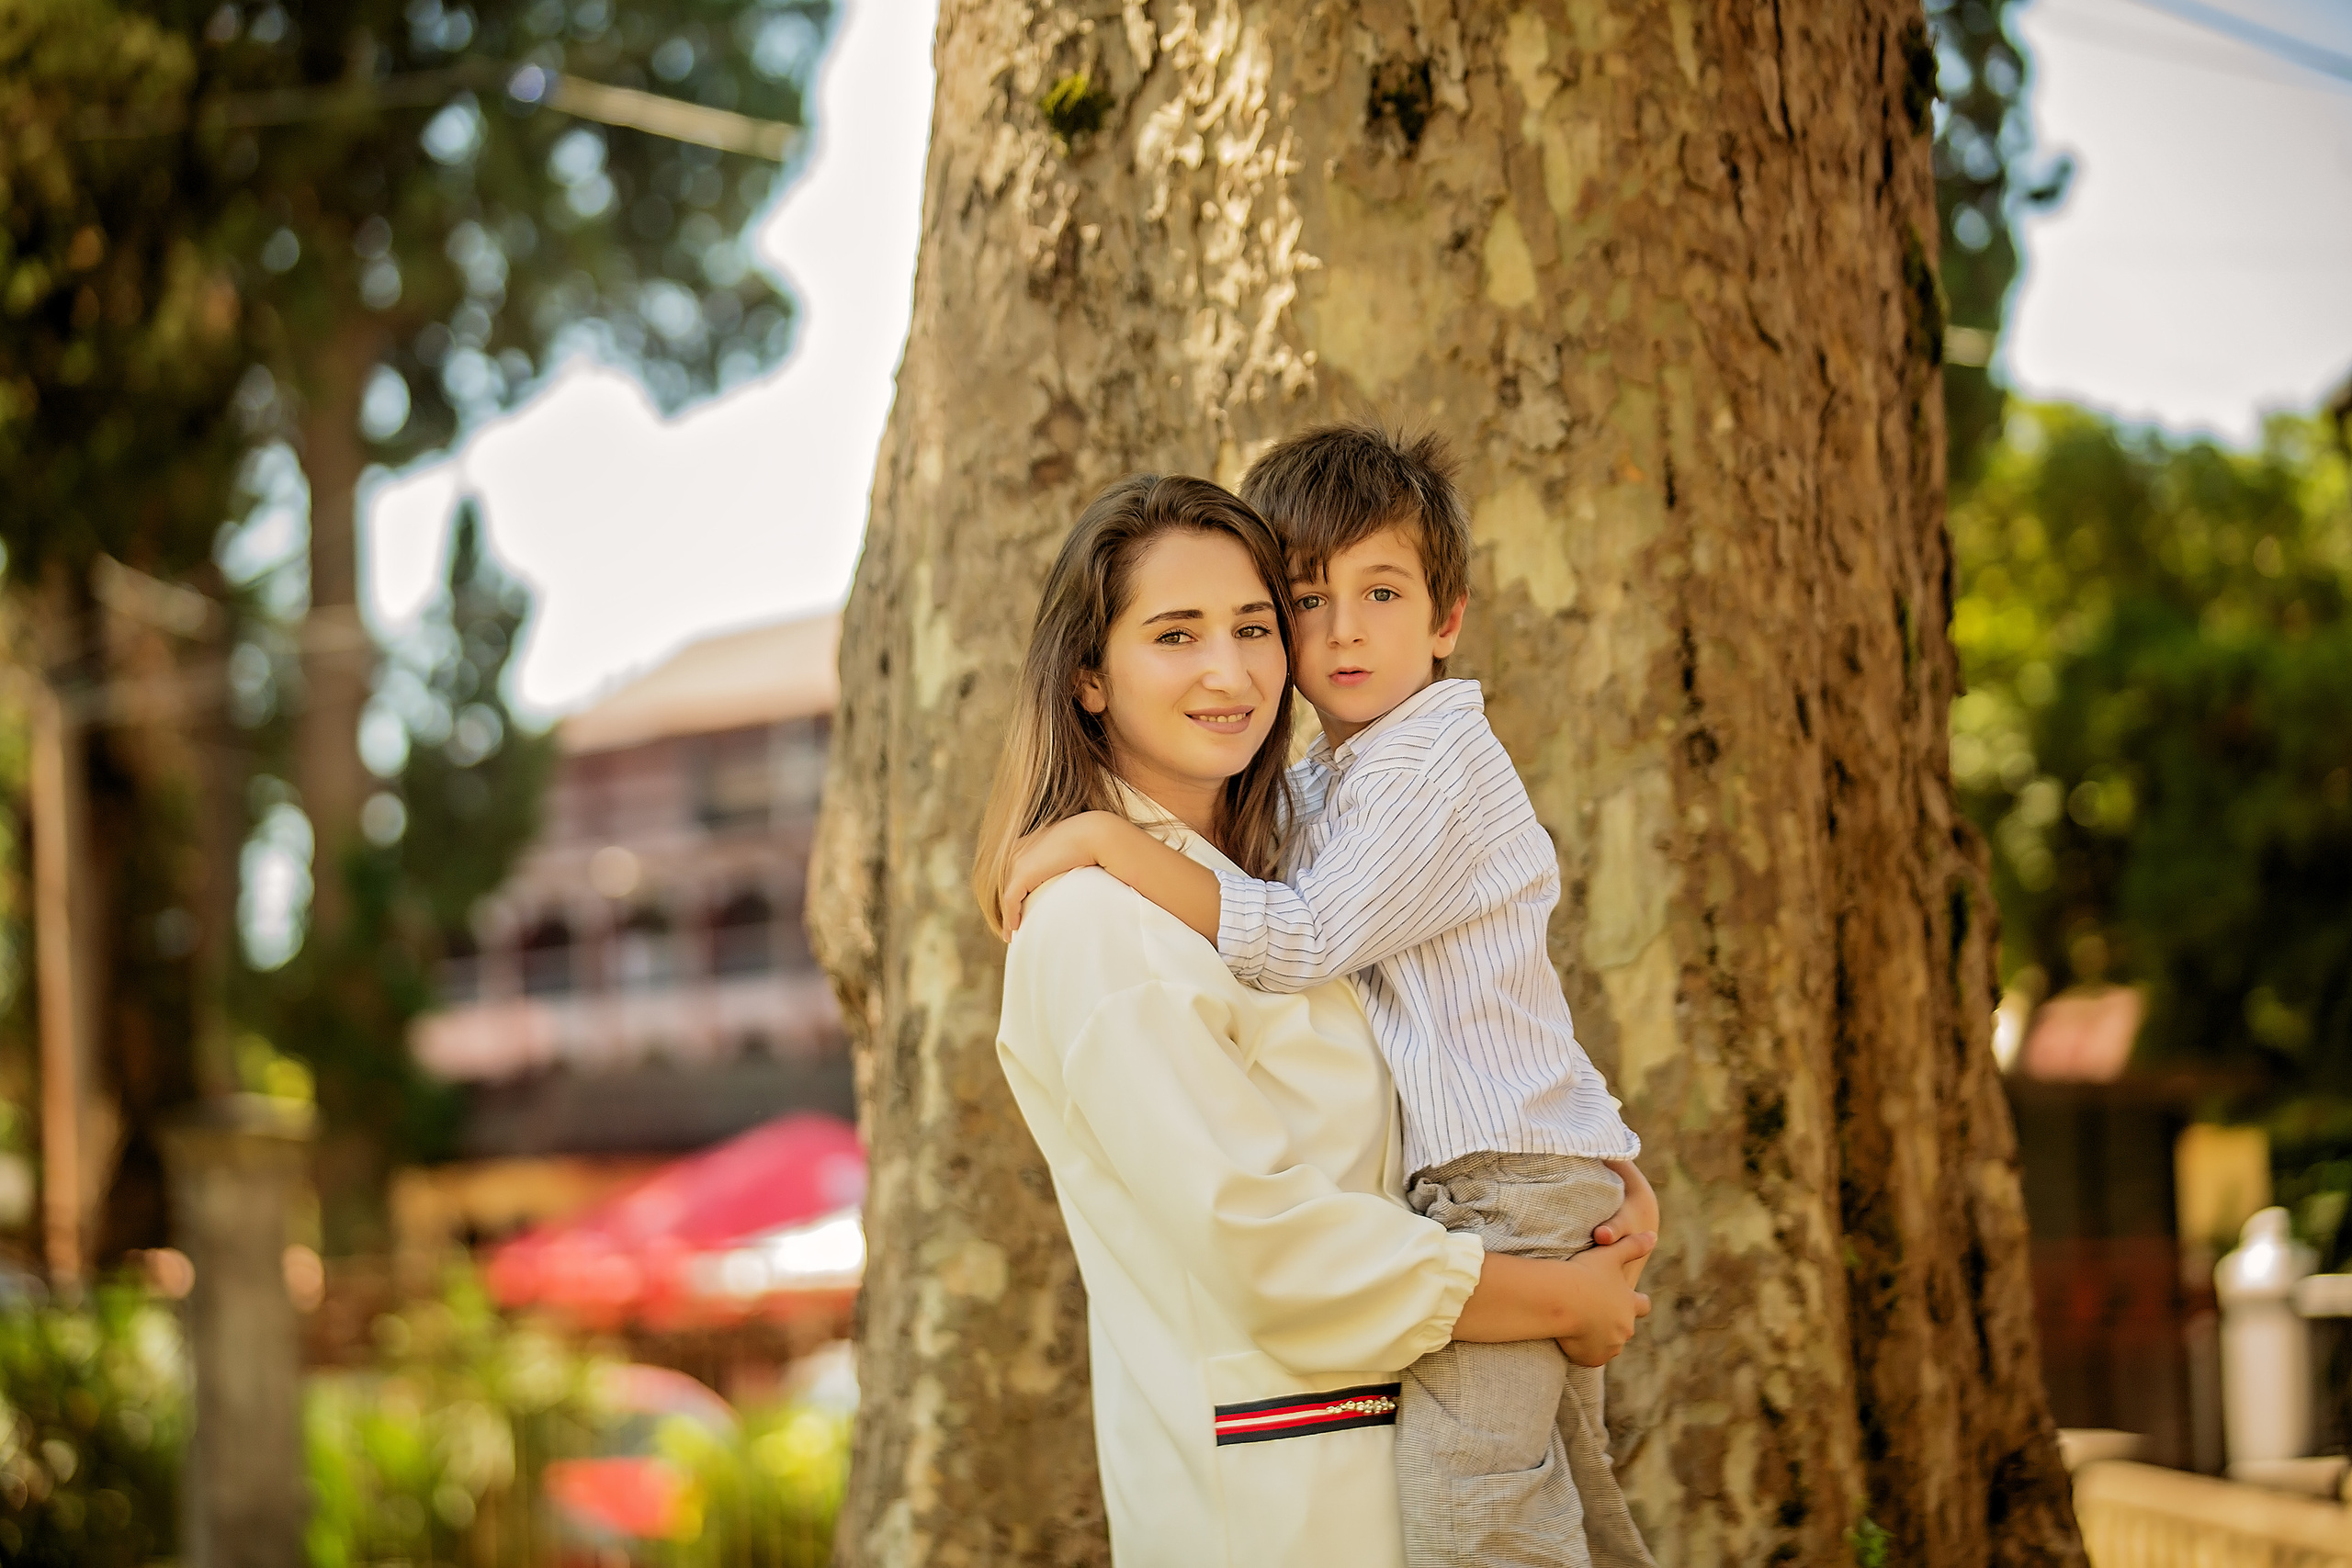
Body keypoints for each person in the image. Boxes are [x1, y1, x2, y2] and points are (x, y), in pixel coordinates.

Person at [1000, 426, 1657, 1567]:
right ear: (1088, 676)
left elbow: (1459, 1018)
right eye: (1175, 634)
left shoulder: (1284, 868)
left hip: (1383, 1455)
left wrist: (1593, 1165)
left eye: (1253, 626)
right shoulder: (1099, 925)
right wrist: (1558, 1299)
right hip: (1279, 1510)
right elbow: (1267, 1248)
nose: (1230, 669)